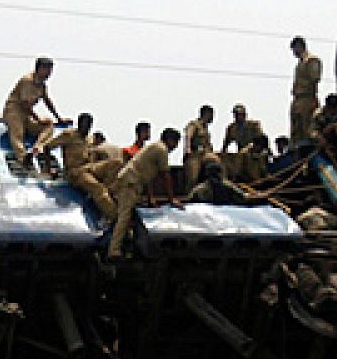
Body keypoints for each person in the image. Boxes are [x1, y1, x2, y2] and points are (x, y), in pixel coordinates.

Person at [106, 128, 181, 258]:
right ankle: (114, 251)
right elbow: (166, 176)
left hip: (131, 182)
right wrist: (171, 199)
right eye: (176, 143)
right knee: (124, 216)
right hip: (130, 183)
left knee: (124, 216)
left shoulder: (154, 148)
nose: (175, 147)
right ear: (170, 140)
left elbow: (149, 177)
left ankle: (123, 245)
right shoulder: (161, 150)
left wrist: (150, 197)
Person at [40, 113, 117, 221]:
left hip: (90, 167)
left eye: (89, 125)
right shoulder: (69, 135)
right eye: (85, 125)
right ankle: (115, 217)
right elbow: (47, 147)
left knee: (115, 164)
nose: (87, 128)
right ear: (79, 124)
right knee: (97, 188)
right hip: (75, 172)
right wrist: (48, 169)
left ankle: (111, 194)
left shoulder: (90, 139)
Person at [2, 57, 64, 163]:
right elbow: (25, 104)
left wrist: (59, 118)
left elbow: (47, 101)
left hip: (26, 116)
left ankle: (38, 147)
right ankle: (23, 158)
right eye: (47, 70)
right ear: (39, 69)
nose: (48, 74)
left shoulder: (42, 85)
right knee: (17, 134)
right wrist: (37, 118)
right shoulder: (27, 81)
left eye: (50, 71)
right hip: (14, 112)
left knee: (49, 125)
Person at [219, 104, 270, 183]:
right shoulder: (231, 128)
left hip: (256, 149)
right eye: (235, 114)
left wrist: (268, 152)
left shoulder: (254, 125)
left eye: (239, 114)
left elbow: (262, 139)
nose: (237, 117)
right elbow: (226, 144)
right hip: (242, 153)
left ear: (245, 115)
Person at [289, 37, 321, 142]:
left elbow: (314, 79)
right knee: (296, 131)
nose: (294, 52)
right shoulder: (300, 63)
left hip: (307, 98)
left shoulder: (311, 60)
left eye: (294, 49)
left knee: (307, 129)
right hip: (298, 99)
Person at [183, 105, 215, 192]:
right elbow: (188, 136)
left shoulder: (206, 129)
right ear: (206, 114)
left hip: (204, 156)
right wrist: (188, 149)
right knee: (193, 177)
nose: (213, 117)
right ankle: (189, 194)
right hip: (194, 155)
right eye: (211, 115)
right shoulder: (194, 124)